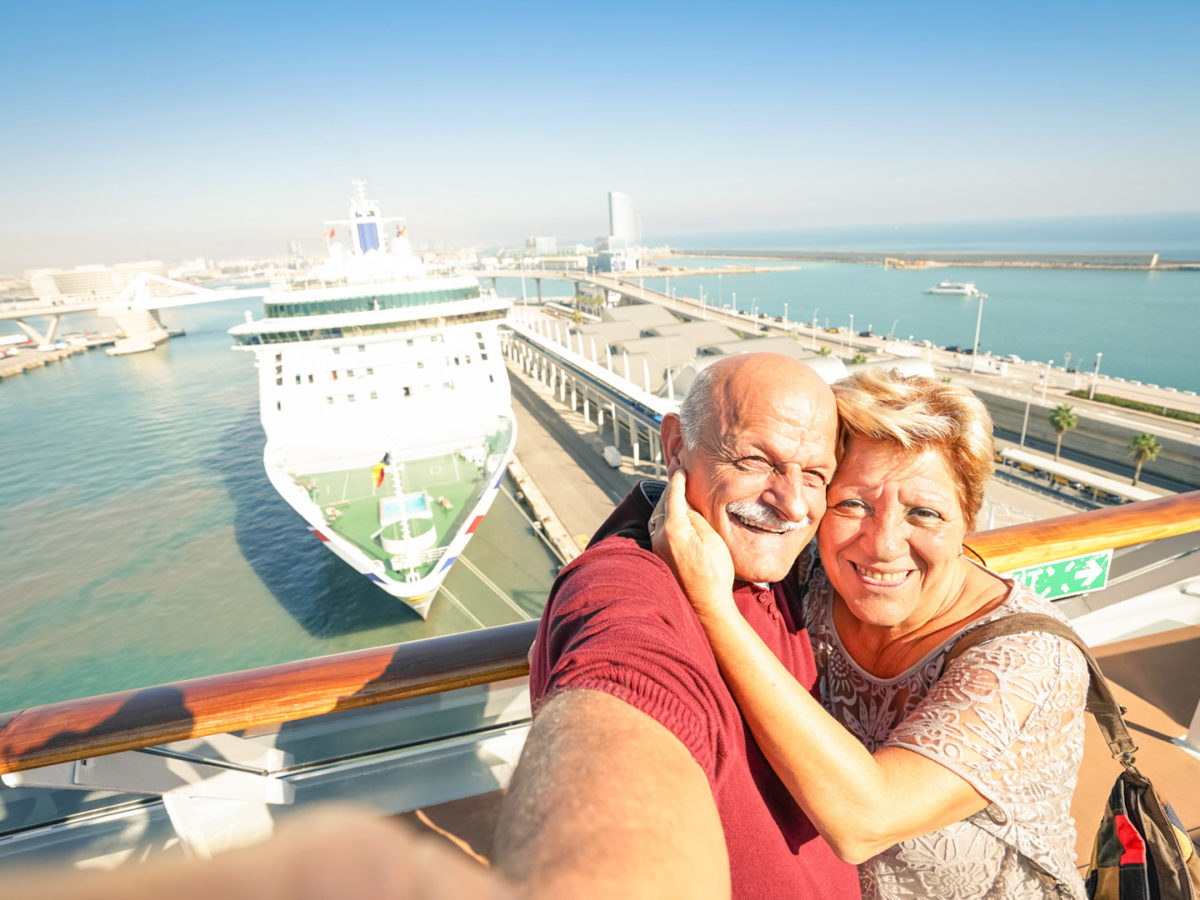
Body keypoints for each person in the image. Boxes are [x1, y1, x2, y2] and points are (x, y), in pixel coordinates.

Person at [651, 367, 1090, 899]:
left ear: (968, 519)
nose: (882, 544)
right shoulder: (811, 576)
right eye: (853, 504)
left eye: (924, 513)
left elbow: (866, 820)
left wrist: (713, 607)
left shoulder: (1028, 660)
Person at [493, 353, 860, 899]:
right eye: (756, 460)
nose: (790, 503)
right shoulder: (623, 583)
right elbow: (625, 684)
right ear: (674, 447)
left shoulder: (773, 560)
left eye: (813, 475)